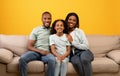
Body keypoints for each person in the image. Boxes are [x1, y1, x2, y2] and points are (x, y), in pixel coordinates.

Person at [19, 11, 56, 76]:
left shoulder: (54, 30)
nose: (47, 20)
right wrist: (41, 51)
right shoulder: (36, 29)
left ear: (51, 19)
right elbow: (29, 46)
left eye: (49, 18)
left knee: (52, 60)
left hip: (47, 54)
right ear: (41, 19)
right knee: (22, 59)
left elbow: (62, 35)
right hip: (35, 52)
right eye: (45, 18)